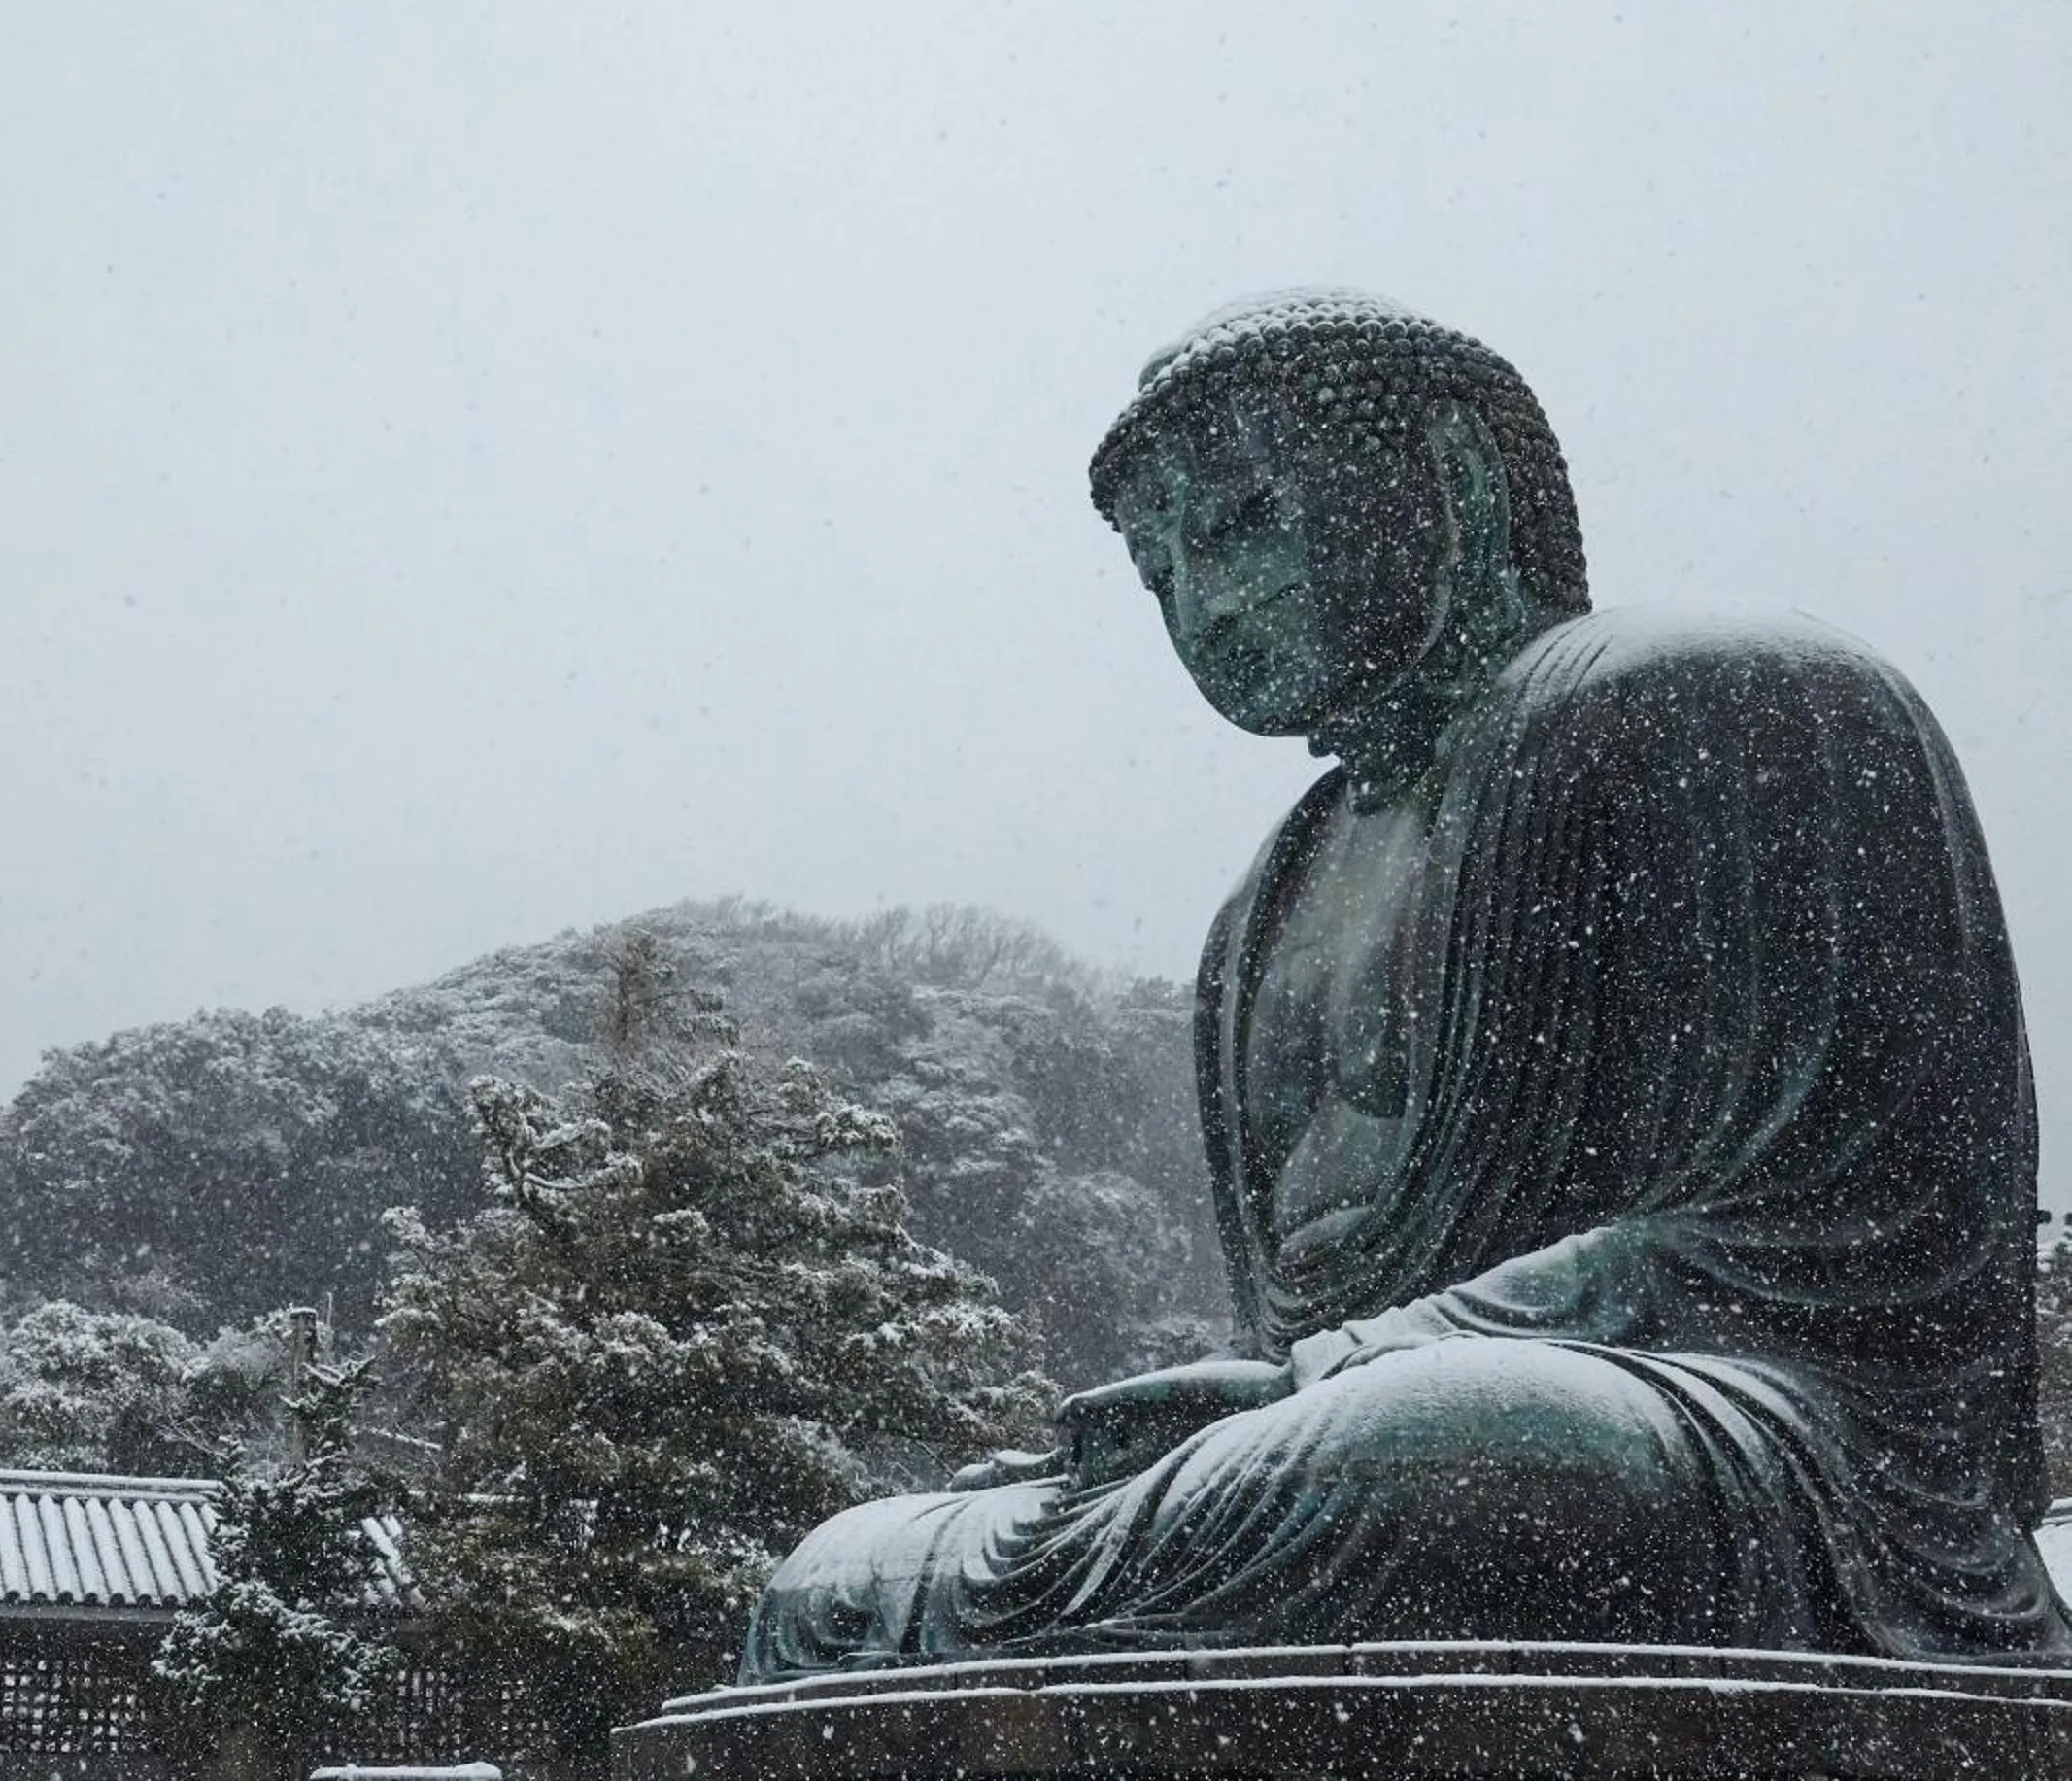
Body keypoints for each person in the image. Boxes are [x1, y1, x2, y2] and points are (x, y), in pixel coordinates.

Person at [741, 290, 2072, 1676]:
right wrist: (1246, 1409)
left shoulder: (1711, 696)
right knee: (837, 1576)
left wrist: (1340, 1378)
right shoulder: (1266, 900)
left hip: (1743, 1442)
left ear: (1454, 475)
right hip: (1344, 1438)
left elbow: (1834, 1240)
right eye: (1161, 571)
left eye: (1245, 519)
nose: (1206, 603)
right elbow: (1291, 1327)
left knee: (1432, 1466)